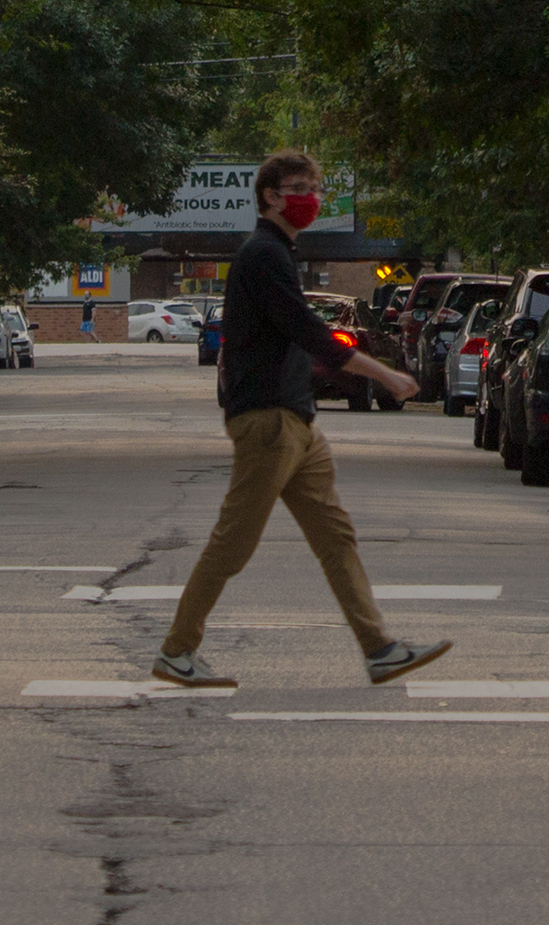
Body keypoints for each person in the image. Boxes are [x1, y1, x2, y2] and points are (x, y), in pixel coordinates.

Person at [153, 148, 452, 690]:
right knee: (234, 543)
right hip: (268, 421)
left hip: (296, 422)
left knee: (336, 537)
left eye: (313, 186)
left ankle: (380, 648)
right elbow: (310, 333)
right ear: (270, 195)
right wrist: (387, 376)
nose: (310, 198)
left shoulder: (278, 253)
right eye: (299, 187)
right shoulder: (262, 255)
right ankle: (176, 651)